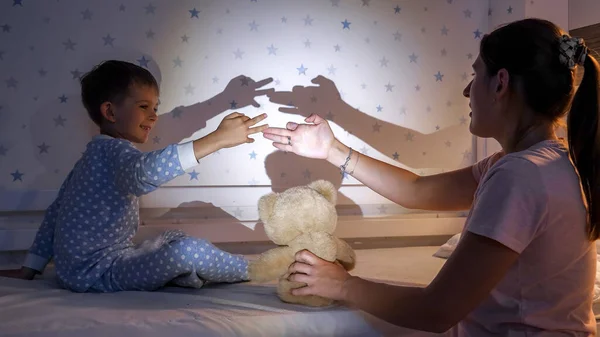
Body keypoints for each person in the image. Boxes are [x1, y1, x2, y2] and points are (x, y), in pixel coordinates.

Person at [262, 18, 599, 335]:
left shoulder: (521, 175)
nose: (468, 92)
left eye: (475, 75)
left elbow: (436, 310)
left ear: (500, 83)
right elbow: (417, 190)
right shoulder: (552, 161)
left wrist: (341, 284)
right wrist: (332, 149)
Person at [0, 60, 271, 293]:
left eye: (155, 107)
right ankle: (258, 269)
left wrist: (30, 268)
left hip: (91, 268)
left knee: (171, 238)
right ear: (110, 112)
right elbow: (142, 175)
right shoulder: (113, 152)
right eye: (144, 106)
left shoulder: (91, 158)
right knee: (187, 251)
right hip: (98, 273)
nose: (154, 116)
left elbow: (54, 216)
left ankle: (191, 272)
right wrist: (217, 139)